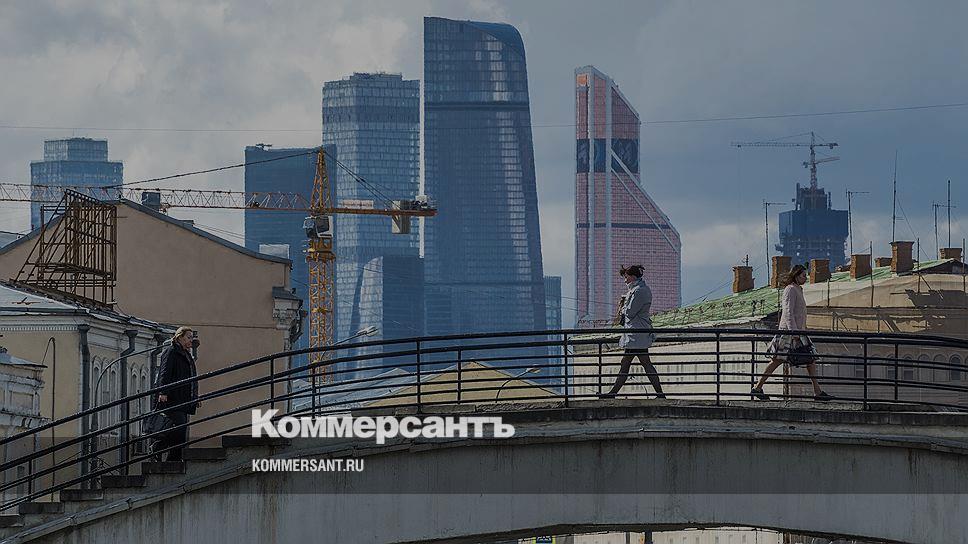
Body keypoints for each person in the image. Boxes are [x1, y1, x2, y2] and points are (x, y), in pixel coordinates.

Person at [752, 264, 832, 401]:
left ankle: (817, 391)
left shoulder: (797, 289)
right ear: (796, 276)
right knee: (778, 360)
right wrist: (794, 331)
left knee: (809, 360)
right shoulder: (790, 289)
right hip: (791, 332)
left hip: (798, 331)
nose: (805, 278)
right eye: (803, 275)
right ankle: (757, 387)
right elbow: (788, 312)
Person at [601, 265, 666, 399]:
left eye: (626, 277)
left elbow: (630, 312)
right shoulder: (640, 290)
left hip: (635, 334)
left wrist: (622, 306)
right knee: (638, 364)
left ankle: (612, 394)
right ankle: (659, 394)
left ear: (633, 277)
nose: (625, 280)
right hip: (637, 334)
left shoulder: (638, 291)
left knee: (628, 364)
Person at [151, 326, 199, 462]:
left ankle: (171, 457)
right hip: (172, 398)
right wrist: (163, 392)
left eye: (192, 338)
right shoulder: (171, 351)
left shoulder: (186, 354)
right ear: (180, 337)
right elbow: (164, 372)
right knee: (179, 428)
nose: (191, 340)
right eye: (188, 337)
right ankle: (161, 449)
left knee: (179, 430)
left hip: (182, 398)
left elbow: (192, 377)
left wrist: (195, 396)